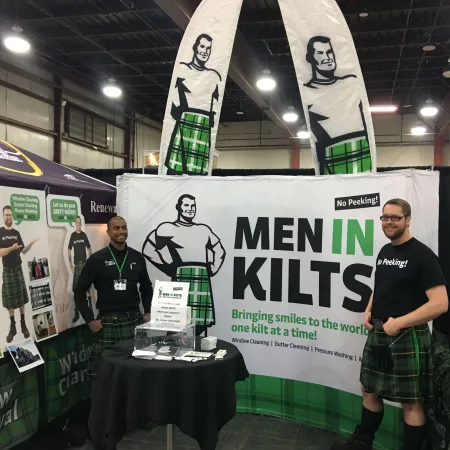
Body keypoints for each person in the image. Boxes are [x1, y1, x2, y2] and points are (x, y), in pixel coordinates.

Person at [331, 198, 448, 450]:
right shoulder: (385, 251)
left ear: (407, 220)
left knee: (411, 402)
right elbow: (381, 285)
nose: (389, 222)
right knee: (368, 389)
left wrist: (400, 323)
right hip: (380, 332)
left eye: (395, 217)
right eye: (385, 217)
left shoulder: (422, 256)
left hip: (408, 336)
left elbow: (440, 303)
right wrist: (368, 308)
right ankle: (362, 444)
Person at [74, 216, 153, 378]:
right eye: (116, 228)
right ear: (108, 232)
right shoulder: (96, 259)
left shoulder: (136, 257)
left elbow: (146, 287)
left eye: (123, 227)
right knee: (104, 374)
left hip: (134, 320)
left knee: (137, 370)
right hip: (108, 322)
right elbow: (79, 291)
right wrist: (90, 320)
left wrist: (148, 311)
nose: (121, 231)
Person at [142, 194, 226, 335]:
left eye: (193, 206)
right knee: (176, 324)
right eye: (186, 205)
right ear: (178, 207)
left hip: (202, 278)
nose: (190, 209)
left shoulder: (203, 229)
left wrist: (213, 267)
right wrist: (167, 267)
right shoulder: (167, 228)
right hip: (181, 278)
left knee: (201, 325)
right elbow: (148, 249)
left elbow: (219, 250)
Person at [304, 36, 372, 175]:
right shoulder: (309, 95)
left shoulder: (352, 83)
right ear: (310, 58)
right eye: (320, 53)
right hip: (331, 161)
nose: (328, 57)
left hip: (363, 156)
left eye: (329, 52)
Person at [164, 34, 221, 175]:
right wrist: (183, 116)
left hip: (203, 128)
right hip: (183, 125)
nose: (205, 51)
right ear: (195, 47)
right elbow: (172, 103)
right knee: (174, 173)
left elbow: (214, 106)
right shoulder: (182, 69)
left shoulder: (214, 76)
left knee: (198, 177)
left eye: (208, 48)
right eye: (202, 46)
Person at [0, 205, 39, 343]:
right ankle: (13, 327)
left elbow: (23, 251)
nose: (8, 217)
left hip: (18, 269)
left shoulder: (16, 233)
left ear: (12, 216)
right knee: (9, 302)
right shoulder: (0, 232)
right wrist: (11, 248)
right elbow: (0, 253)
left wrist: (31, 244)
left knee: (21, 300)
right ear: (3, 216)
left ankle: (23, 324)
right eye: (6, 215)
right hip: (7, 271)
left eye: (10, 215)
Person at [68, 216, 92, 323]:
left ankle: (90, 308)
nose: (78, 225)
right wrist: (70, 264)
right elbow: (68, 249)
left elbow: (89, 248)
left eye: (79, 223)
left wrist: (90, 261)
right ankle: (76, 312)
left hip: (85, 264)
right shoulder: (73, 236)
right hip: (77, 265)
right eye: (76, 223)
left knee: (87, 288)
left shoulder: (84, 235)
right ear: (75, 224)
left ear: (81, 224)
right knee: (77, 289)